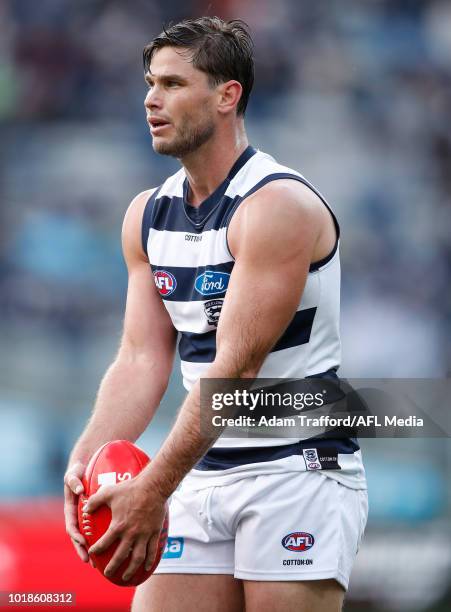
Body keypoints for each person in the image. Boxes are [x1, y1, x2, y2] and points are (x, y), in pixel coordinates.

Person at [64, 16, 368, 612]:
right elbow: (140, 357)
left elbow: (235, 372)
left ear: (228, 95)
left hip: (295, 469)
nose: (151, 99)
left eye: (174, 84)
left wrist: (152, 487)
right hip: (200, 470)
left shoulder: (276, 204)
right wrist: (85, 464)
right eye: (151, 83)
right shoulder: (147, 215)